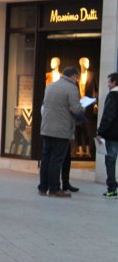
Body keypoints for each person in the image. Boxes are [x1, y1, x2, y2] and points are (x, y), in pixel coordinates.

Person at [38, 66, 84, 197]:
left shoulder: (50, 86)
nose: (77, 80)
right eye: (77, 77)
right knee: (57, 159)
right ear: (73, 76)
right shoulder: (72, 88)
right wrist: (83, 108)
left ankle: (43, 187)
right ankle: (54, 189)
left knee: (46, 158)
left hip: (46, 128)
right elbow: (76, 109)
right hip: (61, 130)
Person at [97, 72, 118, 199]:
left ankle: (112, 189)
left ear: (115, 83)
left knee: (110, 161)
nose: (108, 84)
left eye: (109, 82)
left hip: (112, 135)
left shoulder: (113, 96)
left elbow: (108, 116)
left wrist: (100, 132)